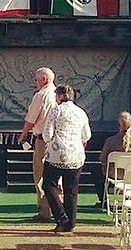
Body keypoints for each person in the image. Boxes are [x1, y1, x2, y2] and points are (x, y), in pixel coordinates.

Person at [42, 84, 91, 233]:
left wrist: (50, 141)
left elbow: (47, 134)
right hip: (76, 155)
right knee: (71, 189)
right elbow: (86, 135)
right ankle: (71, 222)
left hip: (57, 154)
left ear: (60, 96)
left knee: (49, 185)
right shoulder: (81, 112)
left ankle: (61, 217)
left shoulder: (55, 110)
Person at [18, 66, 57, 221]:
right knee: (56, 175)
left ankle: (44, 211)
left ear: (44, 79)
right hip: (58, 141)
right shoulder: (59, 95)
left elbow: (31, 118)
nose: (35, 82)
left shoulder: (41, 95)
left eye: (36, 79)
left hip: (42, 139)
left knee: (40, 174)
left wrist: (23, 135)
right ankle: (58, 210)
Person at [93, 111, 131, 207]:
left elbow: (102, 159)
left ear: (118, 125)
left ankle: (104, 200)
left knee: (95, 170)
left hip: (114, 174)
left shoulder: (110, 141)